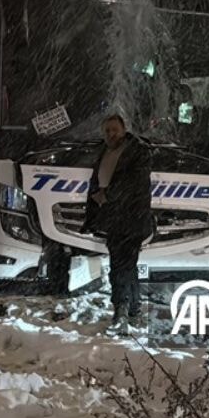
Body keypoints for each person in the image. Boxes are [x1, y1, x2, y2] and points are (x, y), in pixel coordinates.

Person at [83, 114, 155, 334]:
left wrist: (108, 195)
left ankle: (121, 310)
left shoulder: (137, 151)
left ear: (124, 130)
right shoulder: (104, 151)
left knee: (120, 265)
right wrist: (94, 201)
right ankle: (133, 309)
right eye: (107, 130)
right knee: (127, 265)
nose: (110, 134)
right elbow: (96, 180)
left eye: (114, 129)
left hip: (132, 218)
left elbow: (133, 182)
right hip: (114, 217)